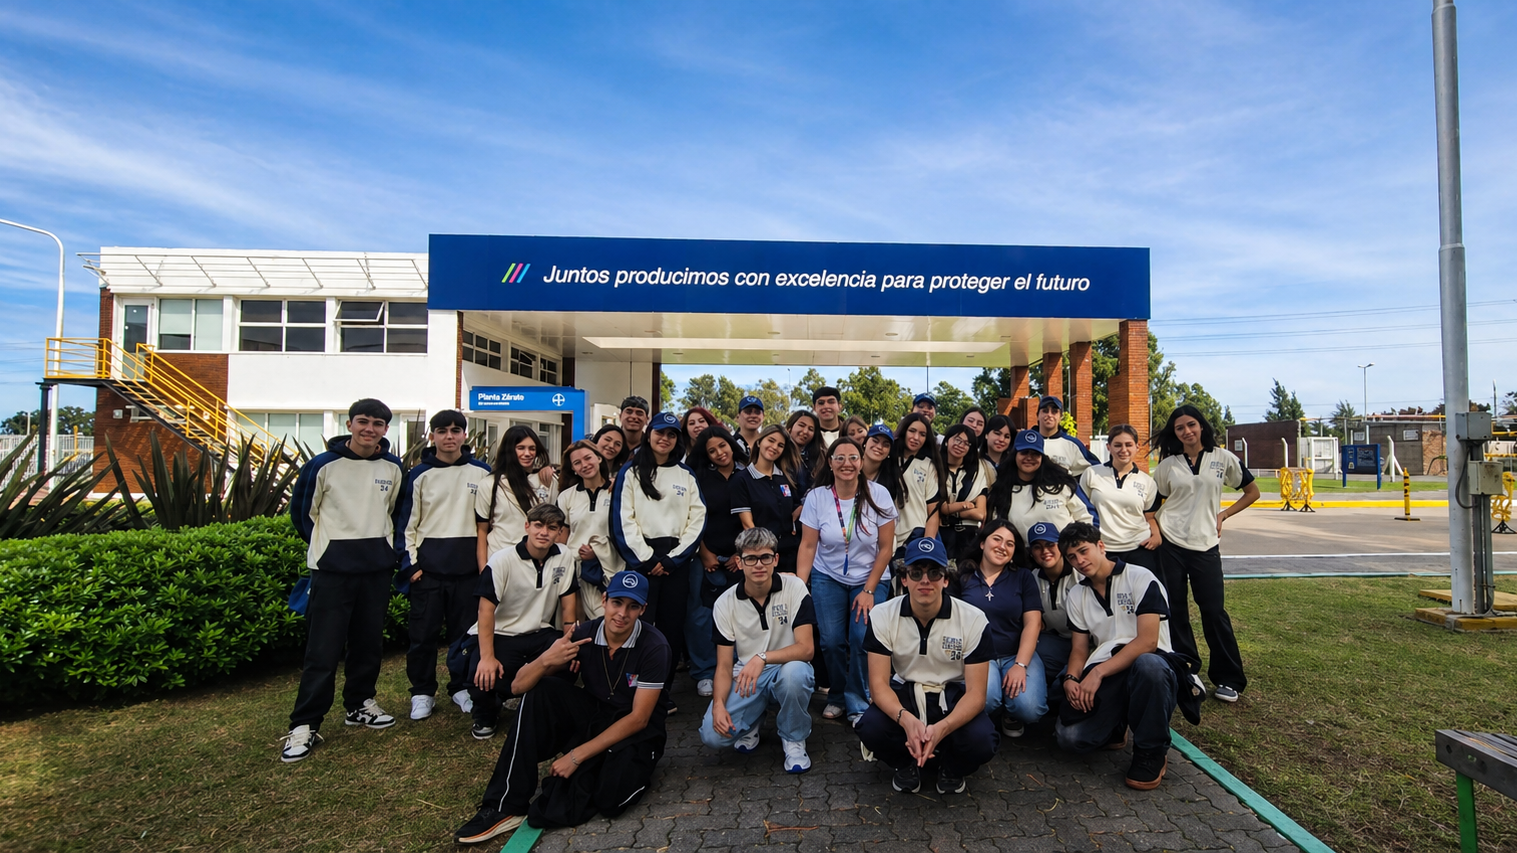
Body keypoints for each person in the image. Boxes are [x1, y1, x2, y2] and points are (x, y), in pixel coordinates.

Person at [453, 571, 671, 843]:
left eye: (633, 606)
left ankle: (601, 763)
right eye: (617, 602)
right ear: (604, 600)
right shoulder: (583, 635)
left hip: (639, 730)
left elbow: (639, 718)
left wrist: (576, 756)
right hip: (596, 714)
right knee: (541, 690)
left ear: (643, 610)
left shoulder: (654, 646)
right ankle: (504, 805)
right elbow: (518, 687)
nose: (622, 613)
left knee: (611, 801)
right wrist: (546, 660)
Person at [281, 398, 405, 763]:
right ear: (350, 424)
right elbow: (303, 513)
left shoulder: (393, 467)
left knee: (368, 643)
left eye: (378, 424)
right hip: (332, 571)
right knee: (323, 649)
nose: (370, 429)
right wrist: (330, 549)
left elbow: (396, 513)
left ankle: (360, 704)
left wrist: (384, 552)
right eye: (363, 422)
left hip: (376, 569)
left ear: (386, 429)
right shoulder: (322, 465)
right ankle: (305, 724)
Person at [1055, 522, 1189, 791]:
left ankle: (1152, 750)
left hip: (1151, 663)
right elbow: (1080, 649)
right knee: (1069, 738)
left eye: (1084, 551)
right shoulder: (1077, 594)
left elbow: (1148, 641)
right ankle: (1116, 724)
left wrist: (1097, 673)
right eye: (1072, 557)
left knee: (1148, 666)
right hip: (1108, 665)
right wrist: (1071, 678)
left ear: (1101, 546)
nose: (1079, 561)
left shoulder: (1141, 578)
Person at [857, 537, 996, 796]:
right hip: (906, 693)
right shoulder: (881, 615)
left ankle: (951, 768)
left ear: (945, 579)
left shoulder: (974, 620)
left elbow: (976, 695)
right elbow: (878, 686)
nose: (925, 580)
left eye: (934, 572)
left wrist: (943, 727)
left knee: (983, 740)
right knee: (870, 727)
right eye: (916, 572)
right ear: (904, 578)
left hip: (951, 695)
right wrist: (906, 721)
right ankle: (905, 764)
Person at [1152, 405, 1260, 704]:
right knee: (1176, 610)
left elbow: (1252, 491)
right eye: (1179, 428)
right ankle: (1187, 669)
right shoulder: (1168, 465)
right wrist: (1155, 528)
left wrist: (1224, 515)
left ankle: (1229, 678)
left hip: (1206, 545)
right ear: (1174, 434)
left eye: (1191, 425)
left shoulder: (1223, 458)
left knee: (1214, 611)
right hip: (1170, 544)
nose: (1187, 431)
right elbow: (1152, 504)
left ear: (1201, 426)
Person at [396, 409, 493, 722]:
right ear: (432, 436)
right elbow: (405, 526)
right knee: (422, 637)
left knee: (464, 636)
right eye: (442, 431)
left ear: (465, 435)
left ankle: (461, 687)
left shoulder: (482, 473)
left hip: (469, 574)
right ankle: (422, 692)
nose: (449, 436)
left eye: (455, 430)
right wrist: (411, 566)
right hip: (429, 574)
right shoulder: (418, 475)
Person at [699, 527, 818, 774]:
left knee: (796, 675)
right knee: (713, 735)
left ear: (775, 559)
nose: (758, 565)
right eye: (750, 558)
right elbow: (722, 666)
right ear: (739, 562)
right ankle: (753, 719)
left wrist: (762, 658)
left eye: (765, 557)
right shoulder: (724, 603)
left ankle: (793, 737)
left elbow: (806, 649)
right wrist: (718, 703)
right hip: (747, 677)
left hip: (787, 667)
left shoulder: (795, 587)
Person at [796, 436, 897, 723]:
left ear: (862, 461)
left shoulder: (879, 495)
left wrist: (868, 589)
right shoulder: (817, 497)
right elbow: (807, 546)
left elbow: (886, 548)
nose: (846, 464)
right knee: (830, 641)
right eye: (839, 458)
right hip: (828, 576)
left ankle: (857, 699)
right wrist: (800, 586)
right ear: (830, 463)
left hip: (871, 577)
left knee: (861, 637)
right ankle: (837, 695)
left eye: (853, 457)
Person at [464, 504, 580, 740]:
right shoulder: (501, 560)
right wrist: (487, 657)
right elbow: (485, 611)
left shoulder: (564, 556)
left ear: (559, 532)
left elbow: (568, 606)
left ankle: (536, 705)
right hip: (502, 634)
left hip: (540, 633)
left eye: (552, 527)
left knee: (569, 661)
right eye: (538, 525)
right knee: (483, 671)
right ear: (527, 526)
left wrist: (571, 643)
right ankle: (485, 713)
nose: (543, 532)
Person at [610, 412, 707, 689]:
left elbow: (697, 519)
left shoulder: (685, 474)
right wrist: (647, 559)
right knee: (637, 624)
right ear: (649, 434)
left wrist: (673, 559)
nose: (665, 439)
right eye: (660, 432)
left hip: (676, 561)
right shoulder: (630, 472)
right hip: (642, 561)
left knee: (671, 627)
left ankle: (662, 690)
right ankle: (631, 687)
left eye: (671, 434)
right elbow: (622, 519)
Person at [950, 520, 1045, 739]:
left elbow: (1033, 623)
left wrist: (1021, 664)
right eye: (997, 539)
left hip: (1015, 653)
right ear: (983, 543)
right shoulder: (963, 576)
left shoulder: (1023, 577)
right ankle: (991, 712)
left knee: (1029, 708)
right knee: (987, 697)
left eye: (1010, 544)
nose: (1003, 546)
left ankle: (1011, 712)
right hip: (979, 656)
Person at [687, 425, 746, 698]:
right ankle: (704, 672)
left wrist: (741, 554)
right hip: (705, 555)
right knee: (700, 616)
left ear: (731, 444)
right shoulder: (698, 477)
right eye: (712, 451)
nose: (719, 453)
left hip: (741, 557)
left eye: (722, 446)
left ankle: (735, 667)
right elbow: (690, 516)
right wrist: (703, 552)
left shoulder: (748, 473)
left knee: (739, 615)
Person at [988, 429, 1095, 544]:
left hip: (1063, 555)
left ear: (1042, 457)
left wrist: (1080, 547)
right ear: (1015, 455)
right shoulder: (1002, 490)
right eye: (1024, 452)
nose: (1029, 457)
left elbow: (1085, 517)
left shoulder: (1061, 484)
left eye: (1035, 454)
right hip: (1022, 557)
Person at [557, 440, 624, 622]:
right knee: (575, 625)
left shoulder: (617, 492)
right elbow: (563, 536)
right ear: (573, 469)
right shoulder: (566, 496)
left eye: (588, 458)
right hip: (575, 571)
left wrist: (598, 551)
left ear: (599, 458)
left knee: (605, 621)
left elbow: (624, 532)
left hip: (610, 569)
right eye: (577, 463)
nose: (584, 465)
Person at [1080, 424, 1162, 571]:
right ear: (1108, 447)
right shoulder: (1092, 474)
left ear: (1137, 447)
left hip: (1138, 547)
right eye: (1117, 445)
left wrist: (1156, 536)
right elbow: (1082, 510)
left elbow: (1150, 517)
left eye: (1128, 445)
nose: (1123, 450)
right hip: (1103, 549)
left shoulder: (1147, 482)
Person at [477, 425, 558, 565]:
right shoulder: (490, 484)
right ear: (509, 450)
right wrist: (483, 570)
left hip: (537, 561)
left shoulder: (547, 480)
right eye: (521, 448)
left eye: (532, 448)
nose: (527, 453)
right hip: (500, 558)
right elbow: (482, 531)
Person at [732, 424, 803, 575]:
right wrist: (764, 557)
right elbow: (748, 525)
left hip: (791, 556)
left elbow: (795, 508)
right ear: (759, 442)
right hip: (763, 558)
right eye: (771, 440)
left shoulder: (786, 478)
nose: (774, 447)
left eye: (780, 445)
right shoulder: (741, 480)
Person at [1026, 522, 1079, 687]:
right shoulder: (1032, 578)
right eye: (1037, 547)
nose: (1045, 552)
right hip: (1057, 641)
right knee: (1033, 650)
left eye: (1050, 544)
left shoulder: (1079, 574)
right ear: (1031, 552)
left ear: (1061, 546)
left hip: (1089, 643)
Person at [888, 413, 945, 557]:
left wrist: (927, 545)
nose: (916, 438)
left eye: (922, 434)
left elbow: (932, 511)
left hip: (915, 536)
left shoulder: (928, 465)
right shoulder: (887, 458)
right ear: (904, 431)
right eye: (912, 431)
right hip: (886, 535)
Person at [938, 423, 991, 563]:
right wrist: (965, 506)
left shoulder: (977, 471)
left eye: (967, 443)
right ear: (947, 441)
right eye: (957, 440)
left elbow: (980, 513)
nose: (961, 445)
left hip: (968, 538)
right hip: (941, 536)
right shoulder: (934, 468)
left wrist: (948, 512)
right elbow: (933, 507)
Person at [1035, 396, 1101, 477]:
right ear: (1037, 415)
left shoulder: (1072, 444)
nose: (1049, 415)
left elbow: (1096, 469)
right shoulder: (1028, 442)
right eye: (1045, 411)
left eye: (1054, 412)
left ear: (1061, 417)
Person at [785, 409, 824, 483]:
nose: (805, 431)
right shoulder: (779, 454)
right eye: (801, 425)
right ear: (790, 428)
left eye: (811, 429)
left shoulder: (816, 461)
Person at [733, 395, 765, 459]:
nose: (753, 416)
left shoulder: (768, 444)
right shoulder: (730, 444)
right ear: (738, 417)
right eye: (748, 411)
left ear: (763, 417)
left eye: (757, 412)